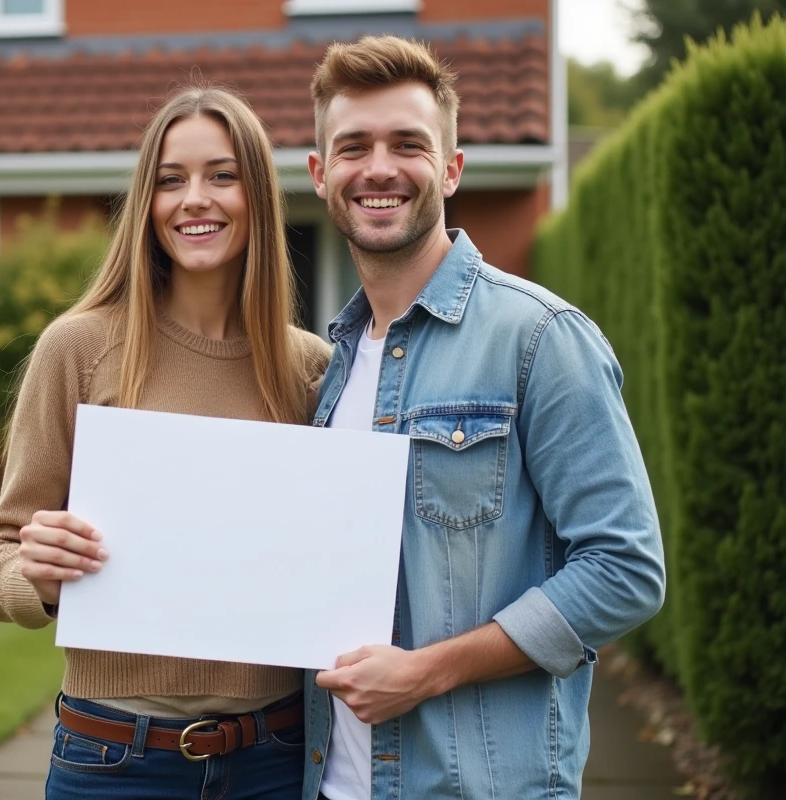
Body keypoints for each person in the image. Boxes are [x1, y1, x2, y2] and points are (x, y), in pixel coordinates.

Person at [300, 36, 666, 800]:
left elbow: (625, 570)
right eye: (353, 146)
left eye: (409, 144)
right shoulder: (328, 367)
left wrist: (426, 673)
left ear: (453, 168)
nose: (379, 168)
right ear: (319, 174)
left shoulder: (540, 337)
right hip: (331, 785)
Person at [0, 85, 331, 799]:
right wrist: (35, 578)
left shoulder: (313, 370)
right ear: (147, 203)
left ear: (258, 195)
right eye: (171, 180)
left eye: (222, 176)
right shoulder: (78, 349)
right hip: (113, 761)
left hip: (275, 757)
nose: (194, 198)